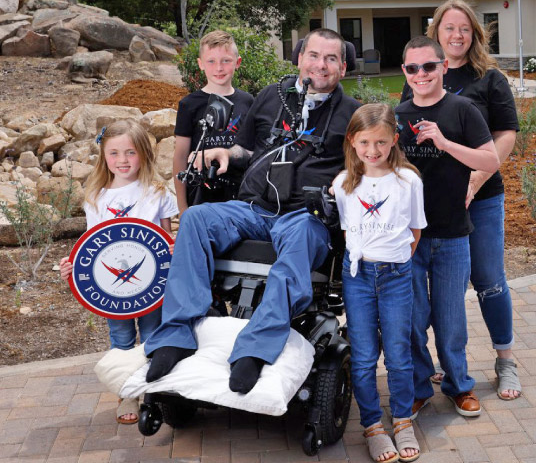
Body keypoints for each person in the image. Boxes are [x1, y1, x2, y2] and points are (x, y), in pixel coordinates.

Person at [144, 28, 360, 394]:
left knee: (303, 234)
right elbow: (246, 150)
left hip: (305, 217)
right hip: (253, 208)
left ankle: (255, 349)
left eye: (331, 59)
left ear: (342, 67)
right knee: (196, 218)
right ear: (299, 58)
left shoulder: (353, 115)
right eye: (313, 56)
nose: (320, 65)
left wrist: (346, 176)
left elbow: (367, 164)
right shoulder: (270, 98)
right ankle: (177, 335)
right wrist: (227, 153)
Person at [403, 0, 522, 400]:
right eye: (449, 28)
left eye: (464, 29)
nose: (457, 35)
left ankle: (506, 361)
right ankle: (447, 366)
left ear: (475, 35)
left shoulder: (489, 79)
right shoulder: (419, 75)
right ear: (436, 34)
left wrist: (474, 179)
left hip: (482, 196)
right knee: (436, 292)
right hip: (435, 208)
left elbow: (506, 134)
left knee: (488, 281)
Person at [395, 36, 500, 418]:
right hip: (408, 237)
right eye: (412, 68)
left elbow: (490, 162)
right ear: (405, 72)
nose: (420, 74)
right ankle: (421, 386)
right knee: (412, 318)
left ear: (442, 67)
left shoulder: (462, 110)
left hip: (452, 233)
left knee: (451, 318)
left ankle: (458, 385)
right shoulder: (398, 115)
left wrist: (444, 142)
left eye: (428, 67)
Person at [59, 119, 178, 424]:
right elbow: (91, 246)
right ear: (104, 157)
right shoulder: (96, 197)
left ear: (144, 154)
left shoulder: (157, 191)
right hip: (113, 288)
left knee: (153, 334)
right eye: (114, 153)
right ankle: (127, 393)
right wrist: (73, 267)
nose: (122, 160)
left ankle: (153, 392)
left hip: (151, 285)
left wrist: (175, 249)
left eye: (130, 152)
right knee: (121, 338)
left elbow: (167, 238)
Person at [331, 104, 426, 463]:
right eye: (366, 142)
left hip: (396, 277)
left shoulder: (408, 181)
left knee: (399, 354)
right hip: (358, 278)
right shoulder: (344, 184)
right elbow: (346, 230)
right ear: (353, 141)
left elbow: (415, 231)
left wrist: (395, 260)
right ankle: (372, 424)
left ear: (394, 141)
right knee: (365, 355)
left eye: (381, 143)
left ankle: (402, 420)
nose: (373, 150)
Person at [173, 30, 254, 215]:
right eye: (211, 61)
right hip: (200, 196)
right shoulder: (189, 104)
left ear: (237, 62)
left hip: (239, 195)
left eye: (226, 60)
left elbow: (252, 148)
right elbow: (180, 157)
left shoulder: (248, 101)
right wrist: (182, 207)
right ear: (201, 64)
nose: (219, 68)